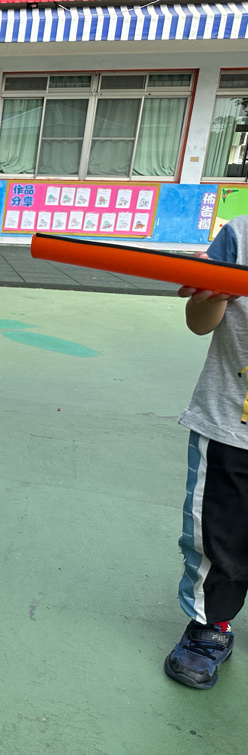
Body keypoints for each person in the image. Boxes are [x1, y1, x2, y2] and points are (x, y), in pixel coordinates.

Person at [166, 214, 248, 688]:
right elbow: (199, 324)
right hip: (231, 427)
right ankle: (210, 626)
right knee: (221, 535)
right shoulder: (240, 236)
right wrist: (208, 298)